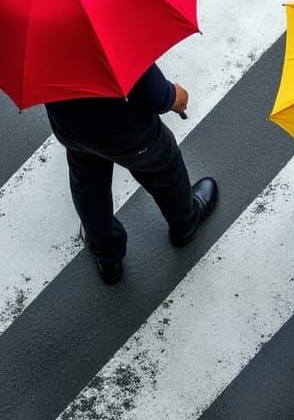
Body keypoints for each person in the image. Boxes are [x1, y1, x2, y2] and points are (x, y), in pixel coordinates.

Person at [45, 63, 217, 285]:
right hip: (129, 135)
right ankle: (185, 224)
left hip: (72, 130)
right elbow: (156, 95)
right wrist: (175, 96)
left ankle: (108, 258)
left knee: (88, 185)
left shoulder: (34, 44)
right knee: (165, 170)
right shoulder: (109, 38)